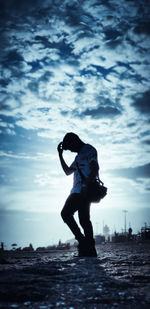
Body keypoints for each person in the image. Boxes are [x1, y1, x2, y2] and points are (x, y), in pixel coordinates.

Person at [57, 132, 99, 257]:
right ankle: (89, 249)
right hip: (77, 190)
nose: (70, 150)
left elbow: (95, 168)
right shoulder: (78, 156)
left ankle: (83, 243)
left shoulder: (89, 150)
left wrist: (85, 186)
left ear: (74, 141)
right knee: (84, 220)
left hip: (83, 190)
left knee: (66, 214)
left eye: (70, 148)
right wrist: (60, 155)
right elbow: (67, 171)